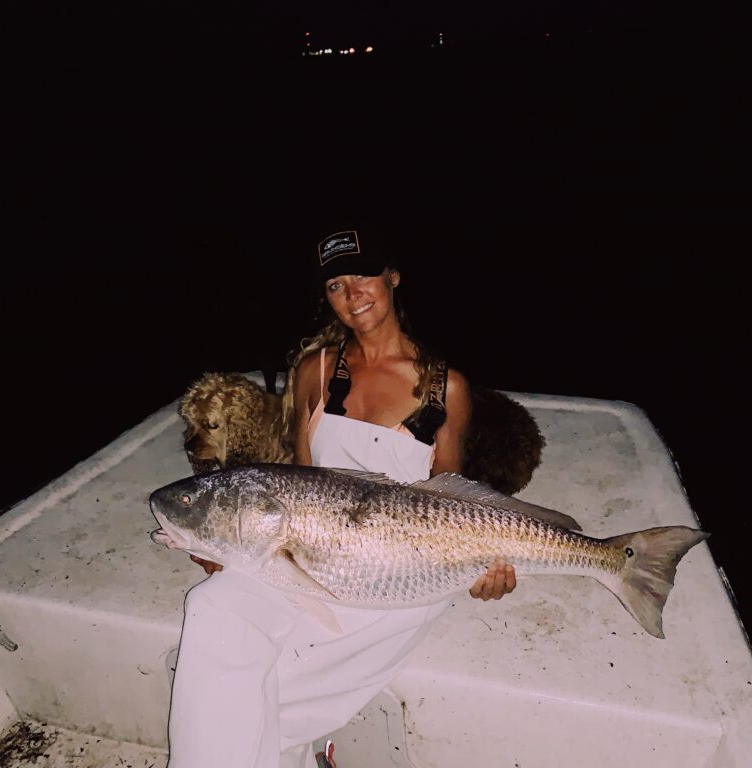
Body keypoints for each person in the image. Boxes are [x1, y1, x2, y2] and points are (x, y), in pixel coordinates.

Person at [166, 226, 516, 768]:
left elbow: (450, 497)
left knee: (265, 685)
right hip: (307, 549)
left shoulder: (447, 388)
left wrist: (484, 565)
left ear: (393, 275)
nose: (352, 292)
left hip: (403, 567)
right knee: (212, 609)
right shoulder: (318, 371)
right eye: (335, 284)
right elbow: (303, 484)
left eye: (363, 274)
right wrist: (236, 543)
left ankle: (295, 750)